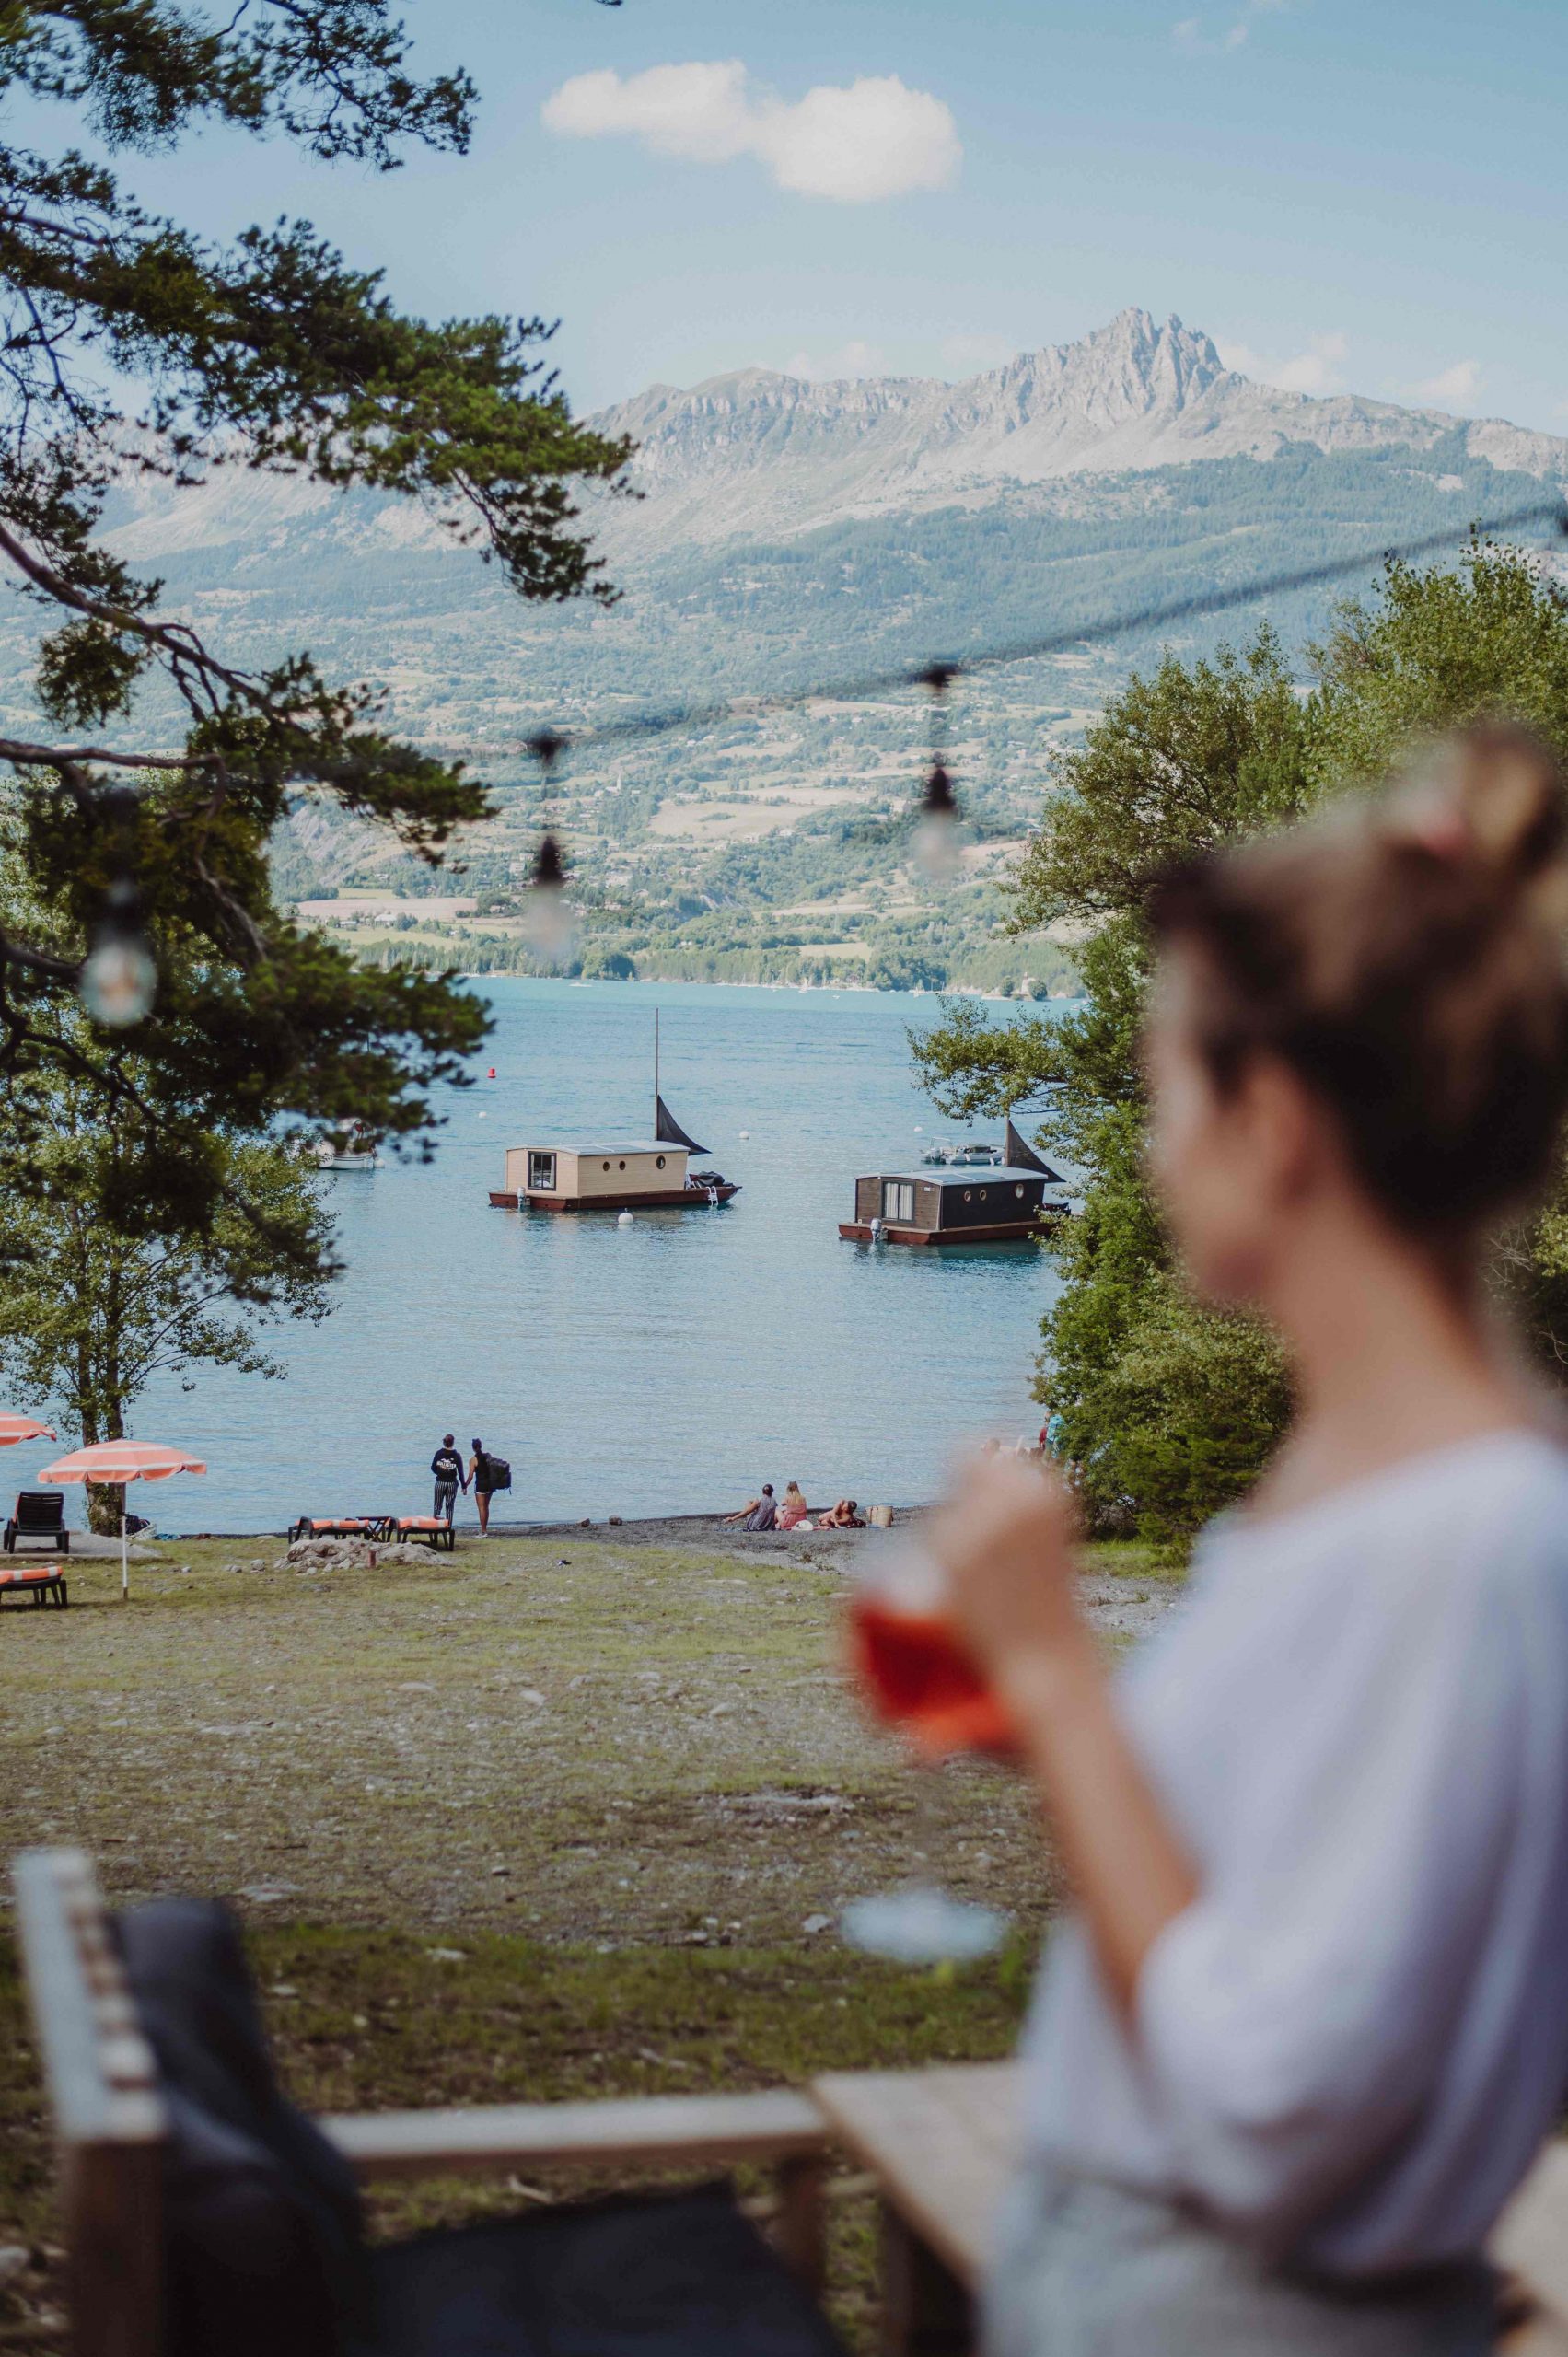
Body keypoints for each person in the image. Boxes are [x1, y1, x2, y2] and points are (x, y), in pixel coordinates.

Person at [923, 728, 1568, 2357]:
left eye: (1160, 1093)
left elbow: (1271, 2107)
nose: (1148, 1153)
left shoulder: (1454, 1539)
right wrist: (1060, 1723)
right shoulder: (1387, 1494)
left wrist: (1065, 1684)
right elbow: (1321, 1901)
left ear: (1270, 1120)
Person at [430, 1433, 466, 1526]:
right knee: (449, 1507)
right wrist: (464, 1486)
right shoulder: (457, 1456)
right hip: (451, 1483)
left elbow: (433, 1468)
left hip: (439, 1483)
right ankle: (448, 1527)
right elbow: (460, 1472)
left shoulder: (438, 1453)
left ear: (444, 1443)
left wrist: (440, 1472)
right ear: (453, 1443)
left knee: (437, 1506)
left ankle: (435, 1527)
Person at [467, 1436, 499, 1536]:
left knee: (481, 1508)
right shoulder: (488, 1455)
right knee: (486, 1507)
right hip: (490, 1485)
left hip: (480, 1485)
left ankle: (484, 1531)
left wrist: (465, 1485)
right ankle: (485, 1529)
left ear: (473, 1448)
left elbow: (471, 1476)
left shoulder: (473, 1460)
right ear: (481, 1446)